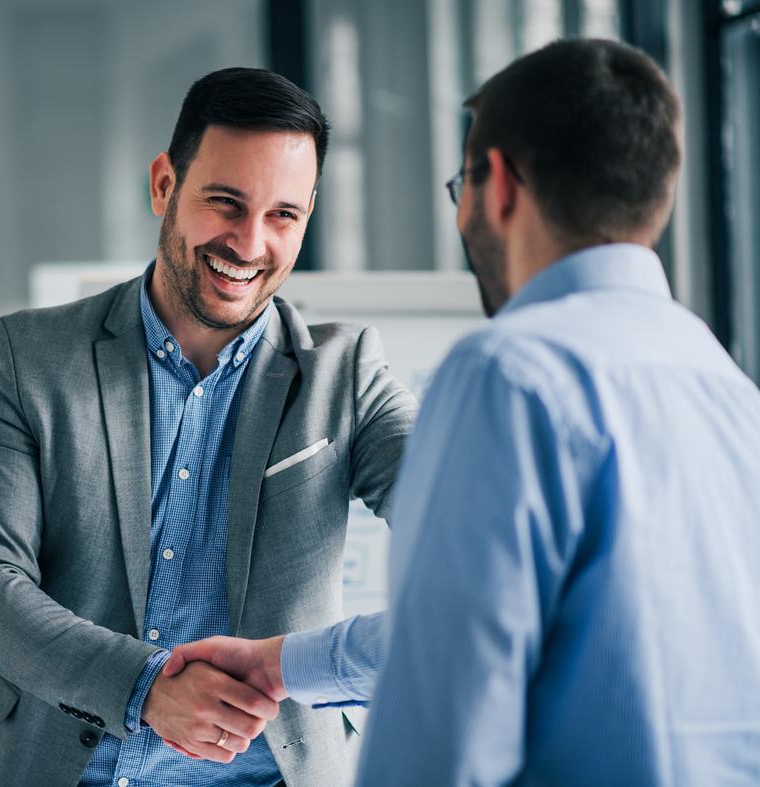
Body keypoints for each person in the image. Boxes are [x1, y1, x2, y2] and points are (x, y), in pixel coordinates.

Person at [165, 38, 760, 785]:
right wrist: (281, 663)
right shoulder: (730, 391)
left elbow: (442, 706)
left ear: (500, 185)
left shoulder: (510, 375)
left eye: (461, 186)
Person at [0, 68, 418, 787]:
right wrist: (145, 686)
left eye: (284, 215)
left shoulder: (346, 376)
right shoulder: (28, 357)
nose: (250, 243)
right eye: (226, 202)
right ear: (164, 185)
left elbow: (472, 539)